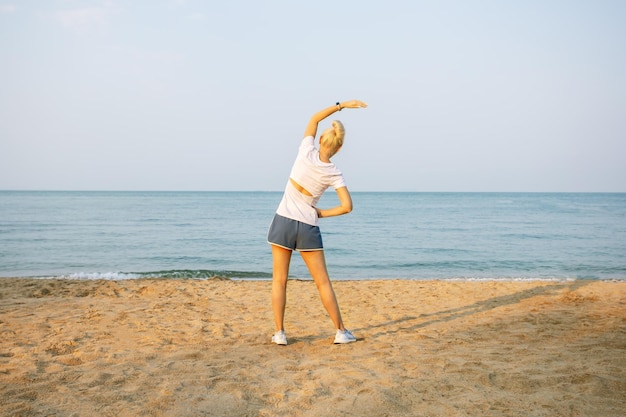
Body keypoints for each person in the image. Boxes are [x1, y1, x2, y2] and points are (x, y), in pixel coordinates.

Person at [267, 99, 368, 345]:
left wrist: (341, 105)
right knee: (322, 282)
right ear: (339, 148)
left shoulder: (305, 151)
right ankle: (341, 332)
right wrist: (321, 213)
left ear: (321, 141)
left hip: (282, 221)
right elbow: (347, 207)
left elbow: (313, 119)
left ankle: (280, 333)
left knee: (279, 280)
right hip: (307, 226)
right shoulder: (334, 172)